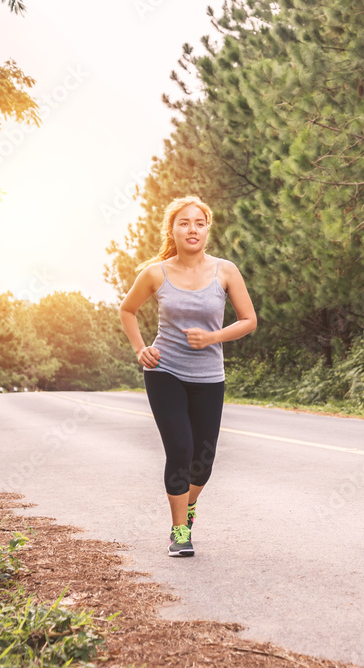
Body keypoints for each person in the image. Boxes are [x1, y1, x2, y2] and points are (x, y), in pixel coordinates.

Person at [119, 195, 257, 557]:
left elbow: (249, 321)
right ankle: (179, 530)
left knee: (203, 462)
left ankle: (189, 506)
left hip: (209, 375)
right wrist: (140, 349)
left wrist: (213, 337)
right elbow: (128, 310)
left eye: (199, 222)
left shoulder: (225, 271)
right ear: (173, 229)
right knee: (179, 448)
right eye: (184, 222)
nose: (192, 229)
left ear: (207, 229)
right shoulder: (156, 273)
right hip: (165, 371)